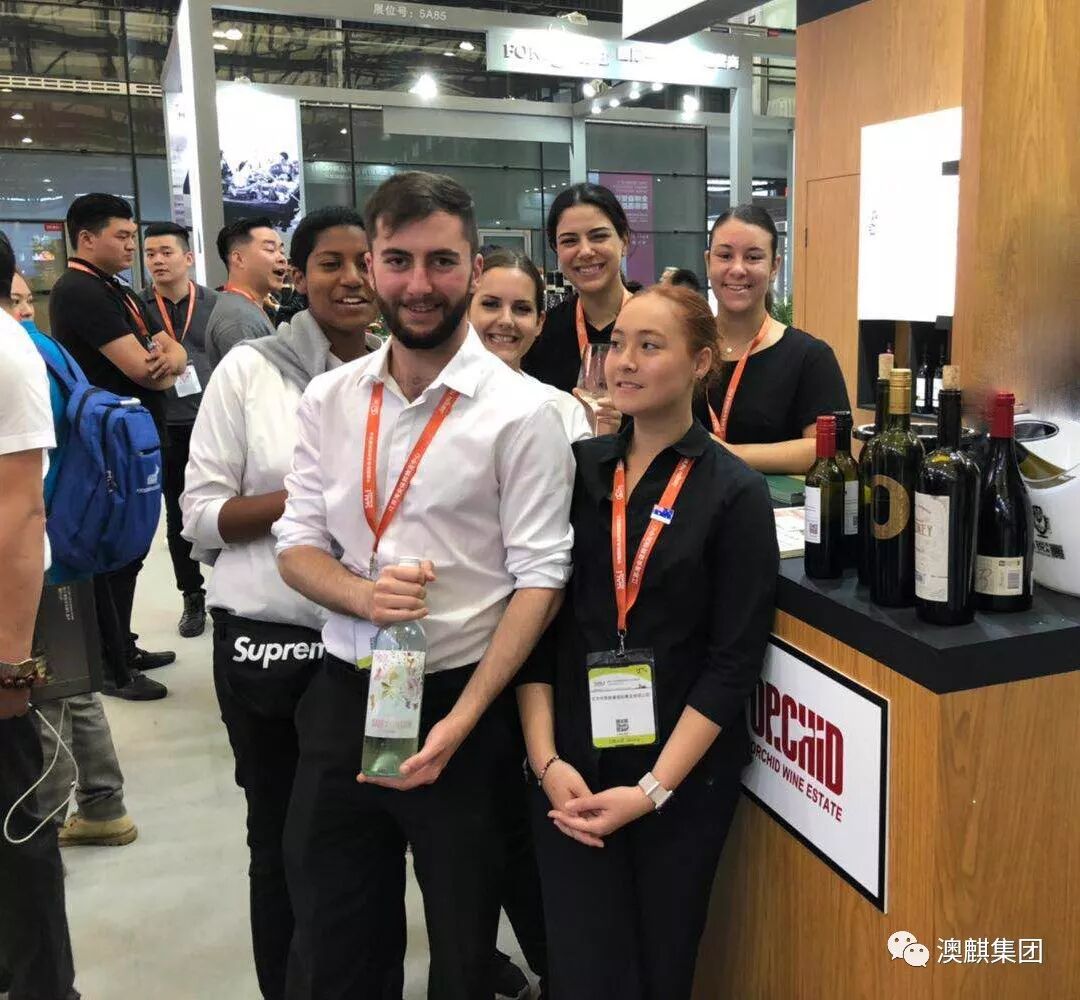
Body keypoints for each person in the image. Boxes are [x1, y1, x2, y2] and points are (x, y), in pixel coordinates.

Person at [273, 171, 575, 1000]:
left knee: (463, 946)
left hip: (461, 705)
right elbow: (296, 545)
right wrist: (361, 596)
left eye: (441, 261)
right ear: (371, 265)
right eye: (398, 260)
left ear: (473, 267)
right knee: (333, 931)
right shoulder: (330, 399)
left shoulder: (521, 413)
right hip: (346, 695)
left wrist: (465, 720)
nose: (418, 284)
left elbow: (542, 578)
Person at [518, 284, 778, 1000]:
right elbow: (538, 627)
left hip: (678, 779)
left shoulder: (734, 492)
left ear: (701, 363)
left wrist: (651, 790)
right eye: (618, 344)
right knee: (579, 966)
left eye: (650, 345)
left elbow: (732, 663)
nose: (624, 362)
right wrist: (545, 762)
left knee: (660, 967)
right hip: (569, 768)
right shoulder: (579, 469)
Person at [182, 207, 383, 1000]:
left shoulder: (401, 375)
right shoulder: (249, 371)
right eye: (331, 262)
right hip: (270, 640)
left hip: (374, 647)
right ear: (297, 275)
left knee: (367, 839)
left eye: (367, 261)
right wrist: (311, 495)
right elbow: (202, 516)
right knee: (280, 838)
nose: (353, 279)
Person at [9, 274, 137, 848]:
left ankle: (44, 822)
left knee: (38, 694)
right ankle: (105, 805)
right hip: (72, 535)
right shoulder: (49, 349)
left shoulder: (14, 357)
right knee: (71, 685)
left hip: (32, 550)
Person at [49, 193, 184, 701]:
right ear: (86, 238)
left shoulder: (115, 287)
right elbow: (144, 368)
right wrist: (165, 365)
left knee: (130, 550)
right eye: (122, 237)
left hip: (134, 436)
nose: (133, 247)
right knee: (111, 551)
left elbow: (170, 348)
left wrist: (169, 359)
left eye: (134, 236)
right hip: (107, 444)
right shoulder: (79, 290)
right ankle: (109, 666)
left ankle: (121, 646)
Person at [0, 230, 81, 1000]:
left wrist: (10, 665)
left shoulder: (6, 349)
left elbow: (21, 510)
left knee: (15, 818)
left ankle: (44, 986)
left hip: (3, 630)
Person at [699, 204, 849, 473]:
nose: (737, 269)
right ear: (708, 261)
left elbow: (826, 449)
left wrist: (729, 454)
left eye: (753, 257)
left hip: (773, 500)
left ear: (774, 267)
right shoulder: (685, 348)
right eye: (725, 255)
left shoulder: (809, 356)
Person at [140, 222, 220, 639]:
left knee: (223, 510)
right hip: (166, 424)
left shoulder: (215, 304)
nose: (157, 260)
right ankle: (192, 595)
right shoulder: (136, 308)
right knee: (178, 516)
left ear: (188, 257)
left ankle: (229, 592)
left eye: (166, 252)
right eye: (150, 253)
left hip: (212, 424)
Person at [471, 246, 622, 442]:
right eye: (491, 305)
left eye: (522, 309)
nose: (506, 320)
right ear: (466, 312)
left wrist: (602, 440)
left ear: (539, 323)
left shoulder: (566, 411)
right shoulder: (434, 396)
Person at [522, 182, 633, 396]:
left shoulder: (661, 324)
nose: (585, 251)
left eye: (598, 236)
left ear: (624, 242)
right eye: (569, 241)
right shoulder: (542, 335)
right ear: (556, 250)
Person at [204, 217, 287, 369]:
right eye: (270, 250)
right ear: (239, 259)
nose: (282, 258)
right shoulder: (238, 320)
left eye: (282, 251)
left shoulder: (244, 307)